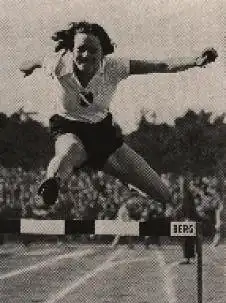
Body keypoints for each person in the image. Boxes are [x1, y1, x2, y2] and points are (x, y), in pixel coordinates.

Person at [20, 21, 218, 212]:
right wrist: (26, 67)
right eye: (80, 49)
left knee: (163, 194)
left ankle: (129, 181)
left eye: (93, 50)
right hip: (68, 127)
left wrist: (195, 61)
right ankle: (50, 185)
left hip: (103, 135)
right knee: (68, 151)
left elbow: (161, 65)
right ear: (71, 49)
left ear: (103, 53)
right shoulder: (58, 64)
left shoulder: (114, 67)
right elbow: (34, 62)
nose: (86, 55)